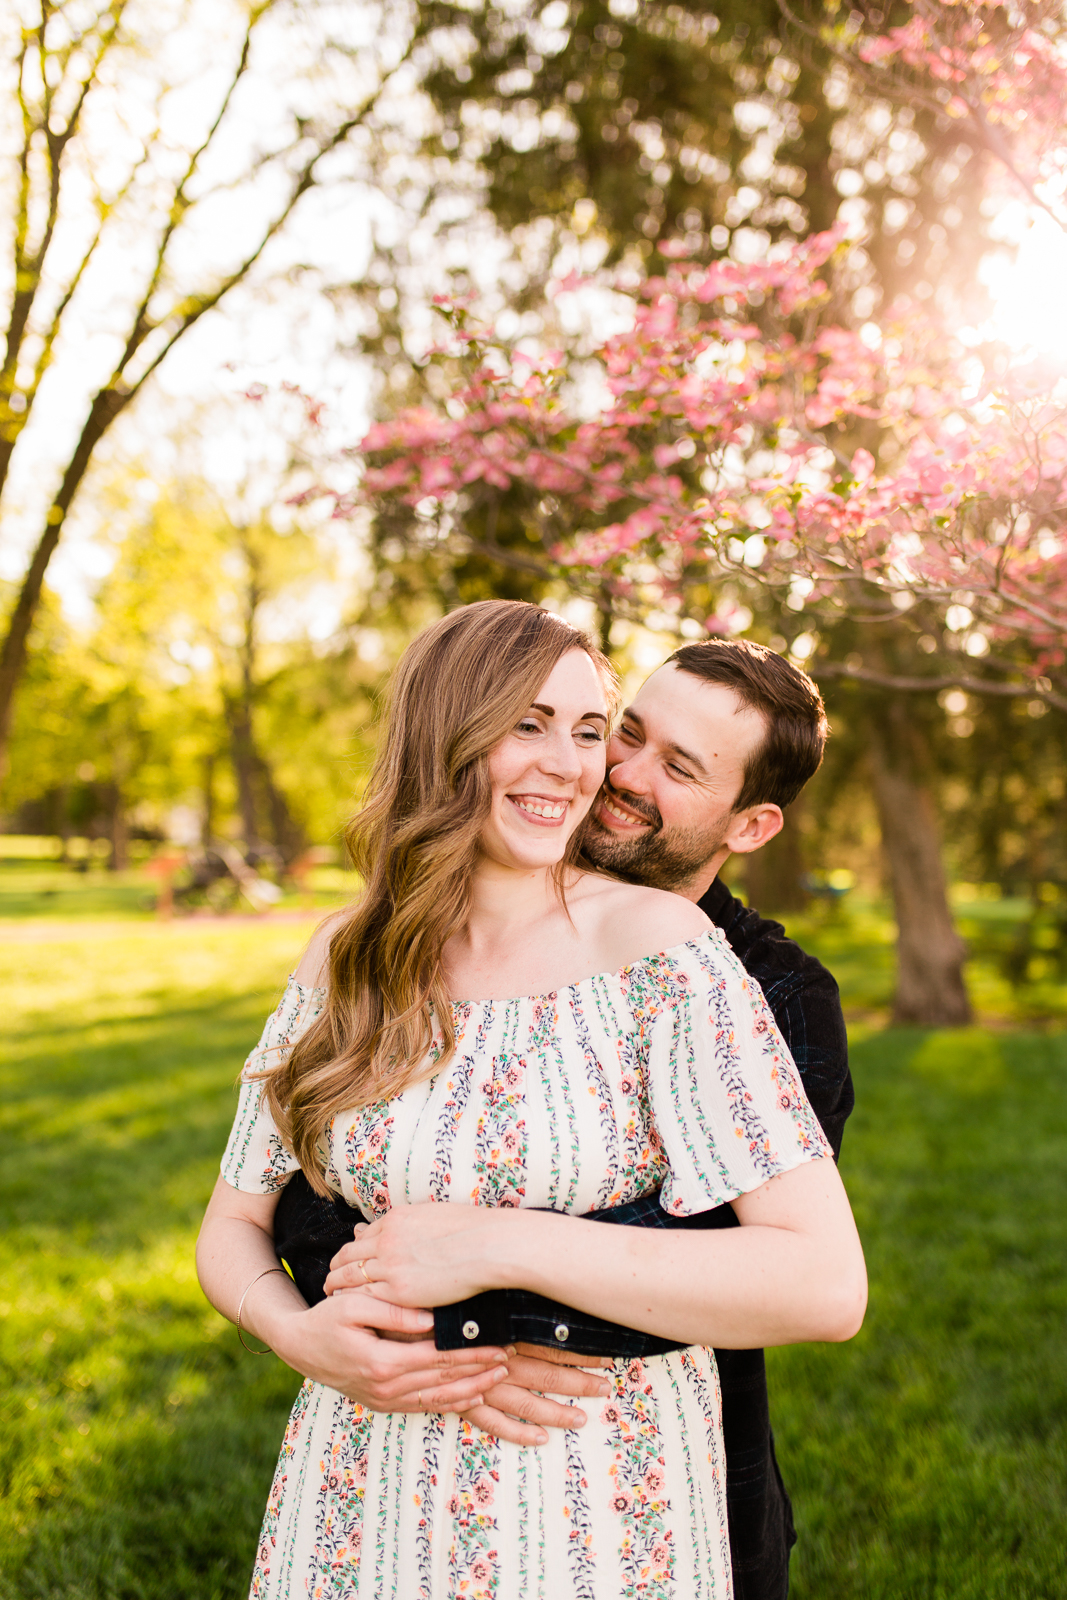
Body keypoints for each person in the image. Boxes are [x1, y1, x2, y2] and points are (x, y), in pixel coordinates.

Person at [197, 601, 866, 1598]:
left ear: (748, 823)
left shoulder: (674, 956)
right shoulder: (348, 955)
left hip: (592, 1500)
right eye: (531, 723)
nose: (585, 766)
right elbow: (234, 1222)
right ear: (445, 732)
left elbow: (816, 1282)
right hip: (361, 1485)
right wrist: (300, 1336)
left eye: (587, 730)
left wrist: (489, 1258)